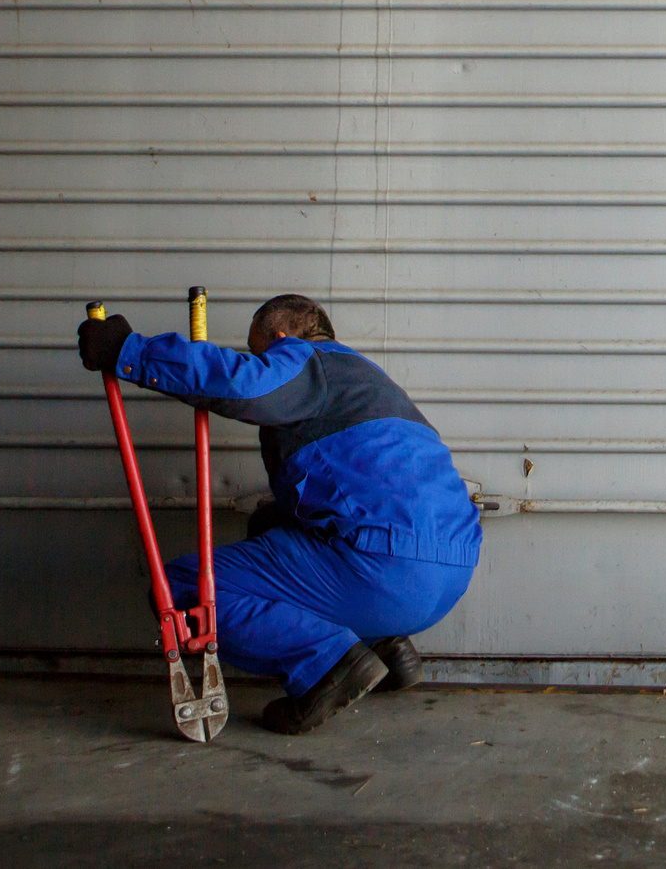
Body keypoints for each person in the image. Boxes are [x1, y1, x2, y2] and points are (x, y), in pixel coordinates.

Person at [76, 293, 481, 735]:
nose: (264, 361)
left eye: (260, 352)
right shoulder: (372, 383)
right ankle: (386, 647)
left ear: (282, 338)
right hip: (450, 573)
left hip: (380, 569)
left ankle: (326, 665)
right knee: (270, 524)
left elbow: (243, 384)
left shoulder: (308, 359)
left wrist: (128, 351)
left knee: (176, 589)